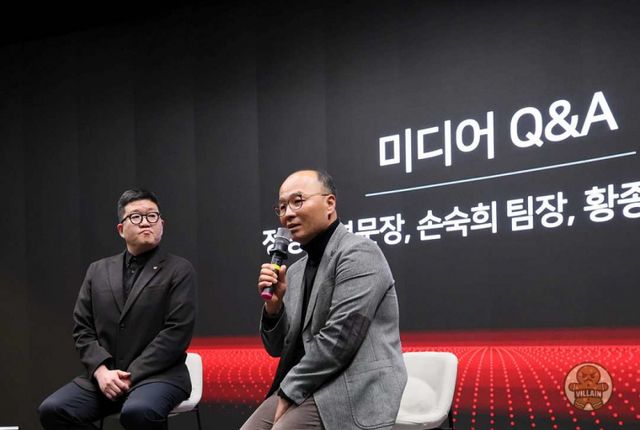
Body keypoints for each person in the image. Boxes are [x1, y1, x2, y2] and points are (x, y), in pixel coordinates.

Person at [241, 170, 407, 430]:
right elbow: (278, 349)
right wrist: (274, 307)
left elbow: (340, 340)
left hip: (351, 387)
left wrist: (289, 391)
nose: (288, 214)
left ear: (330, 203)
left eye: (297, 201)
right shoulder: (295, 271)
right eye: (282, 207)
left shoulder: (359, 252)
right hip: (309, 383)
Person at [38, 189, 197, 430]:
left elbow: (176, 332)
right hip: (106, 377)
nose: (146, 222)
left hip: (160, 376)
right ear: (121, 229)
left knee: (138, 412)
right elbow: (83, 329)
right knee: (53, 410)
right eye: (136, 216)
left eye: (152, 216)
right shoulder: (97, 271)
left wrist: (129, 375)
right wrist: (101, 372)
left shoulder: (179, 270)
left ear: (162, 224)